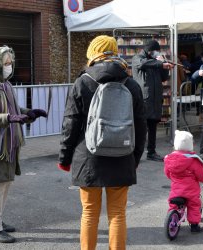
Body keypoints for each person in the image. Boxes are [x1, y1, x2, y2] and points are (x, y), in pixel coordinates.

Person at [57, 35, 147, 250]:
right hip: (123, 153)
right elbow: (141, 125)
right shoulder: (131, 83)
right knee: (117, 214)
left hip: (88, 156)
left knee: (89, 213)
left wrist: (65, 157)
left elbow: (71, 123)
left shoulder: (83, 81)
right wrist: (135, 157)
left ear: (93, 53)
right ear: (115, 52)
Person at [0, 45, 47, 243]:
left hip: (9, 142)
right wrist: (9, 118)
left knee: (5, 184)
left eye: (11, 62)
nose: (10, 65)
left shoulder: (5, 84)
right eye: (6, 62)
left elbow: (14, 109)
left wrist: (30, 113)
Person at [132, 40, 174, 162]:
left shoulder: (155, 62)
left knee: (153, 127)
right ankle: (135, 153)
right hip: (144, 99)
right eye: (155, 50)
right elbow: (143, 64)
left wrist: (165, 66)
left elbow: (164, 78)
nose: (156, 53)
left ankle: (151, 152)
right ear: (149, 50)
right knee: (141, 128)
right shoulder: (138, 58)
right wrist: (160, 63)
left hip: (155, 99)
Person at [164, 130, 203, 233]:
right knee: (194, 206)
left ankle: (172, 217)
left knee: (174, 205)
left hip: (176, 190)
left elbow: (167, 173)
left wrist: (174, 179)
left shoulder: (169, 159)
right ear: (190, 145)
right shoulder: (193, 160)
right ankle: (194, 226)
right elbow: (202, 175)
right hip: (191, 191)